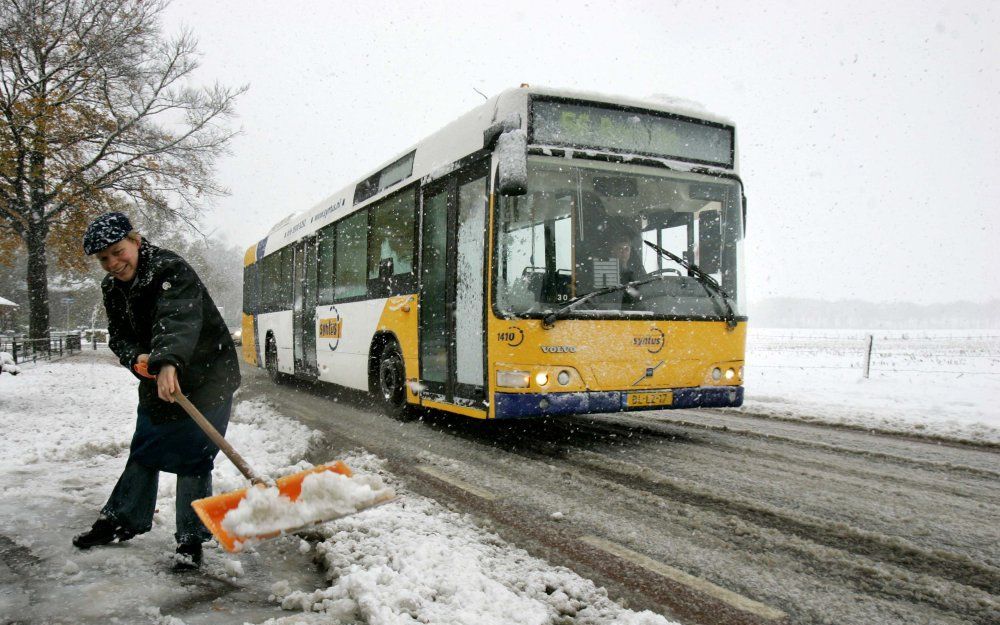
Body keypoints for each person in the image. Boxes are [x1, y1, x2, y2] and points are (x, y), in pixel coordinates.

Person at [72, 212, 241, 570]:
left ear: (135, 241)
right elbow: (119, 335)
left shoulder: (168, 270)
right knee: (146, 446)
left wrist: (168, 361)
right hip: (158, 374)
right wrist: (137, 358)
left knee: (194, 457)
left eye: (119, 252)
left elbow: (177, 318)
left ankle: (190, 541)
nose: (114, 263)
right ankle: (122, 519)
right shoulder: (112, 288)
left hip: (209, 374)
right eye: (104, 259)